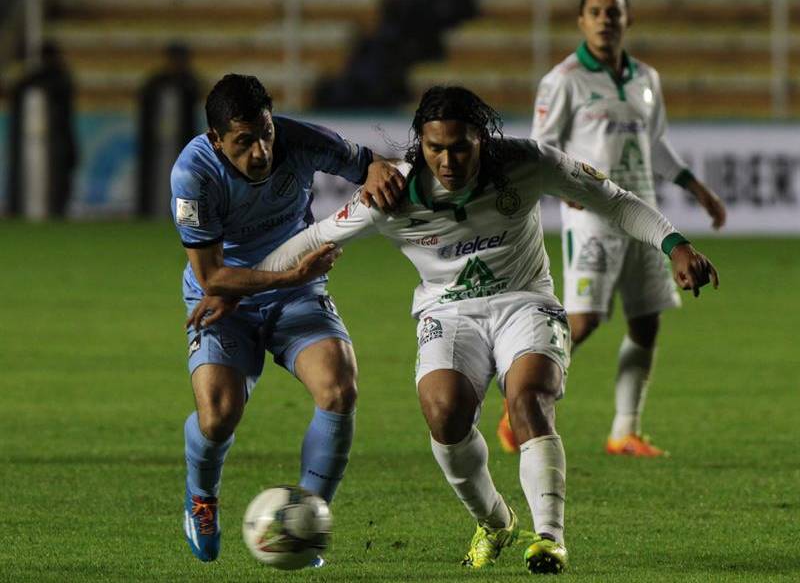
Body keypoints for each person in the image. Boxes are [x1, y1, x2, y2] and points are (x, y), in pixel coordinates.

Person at [191, 85, 719, 574]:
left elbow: (614, 200)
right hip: (447, 313)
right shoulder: (391, 194)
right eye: (435, 148)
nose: (447, 160)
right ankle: (495, 521)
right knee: (444, 414)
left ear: (482, 142)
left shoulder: (526, 161)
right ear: (421, 144)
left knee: (529, 398)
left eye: (461, 147)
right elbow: (311, 241)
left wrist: (676, 245)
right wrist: (228, 290)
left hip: (525, 301)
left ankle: (549, 536)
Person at [172, 73, 404, 563]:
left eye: (266, 133)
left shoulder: (299, 140)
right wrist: (288, 273)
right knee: (218, 415)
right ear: (216, 140)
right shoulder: (193, 175)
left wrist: (381, 174)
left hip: (296, 289)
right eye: (243, 142)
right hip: (223, 298)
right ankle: (201, 497)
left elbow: (371, 166)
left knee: (339, 388)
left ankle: (307, 519)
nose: (260, 151)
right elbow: (213, 276)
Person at [496, 0, 727, 457]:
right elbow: (543, 145)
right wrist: (566, 192)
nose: (605, 20)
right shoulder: (564, 79)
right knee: (584, 320)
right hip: (593, 215)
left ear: (628, 20)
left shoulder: (646, 78)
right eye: (596, 12)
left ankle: (625, 430)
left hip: (642, 212)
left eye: (613, 12)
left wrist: (696, 188)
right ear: (581, 21)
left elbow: (656, 145)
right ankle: (516, 408)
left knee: (646, 323)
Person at [7, 41, 78, 219]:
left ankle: (53, 211)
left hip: (58, 139)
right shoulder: (62, 78)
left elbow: (17, 89)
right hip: (61, 139)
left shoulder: (47, 80)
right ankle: (57, 212)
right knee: (60, 184)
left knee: (56, 182)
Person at [137, 42, 200, 217]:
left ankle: (184, 217)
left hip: (182, 142)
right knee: (156, 179)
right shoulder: (156, 83)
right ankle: (151, 212)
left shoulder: (189, 83)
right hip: (157, 144)